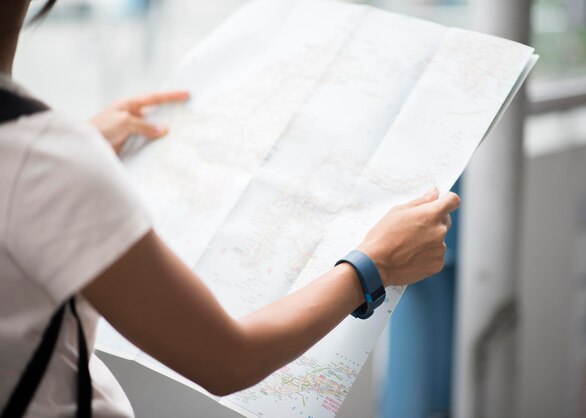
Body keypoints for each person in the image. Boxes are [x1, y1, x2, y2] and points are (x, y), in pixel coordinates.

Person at [0, 1, 461, 417]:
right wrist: (372, 265)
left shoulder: (40, 157)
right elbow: (228, 360)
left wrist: (68, 153)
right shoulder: (47, 160)